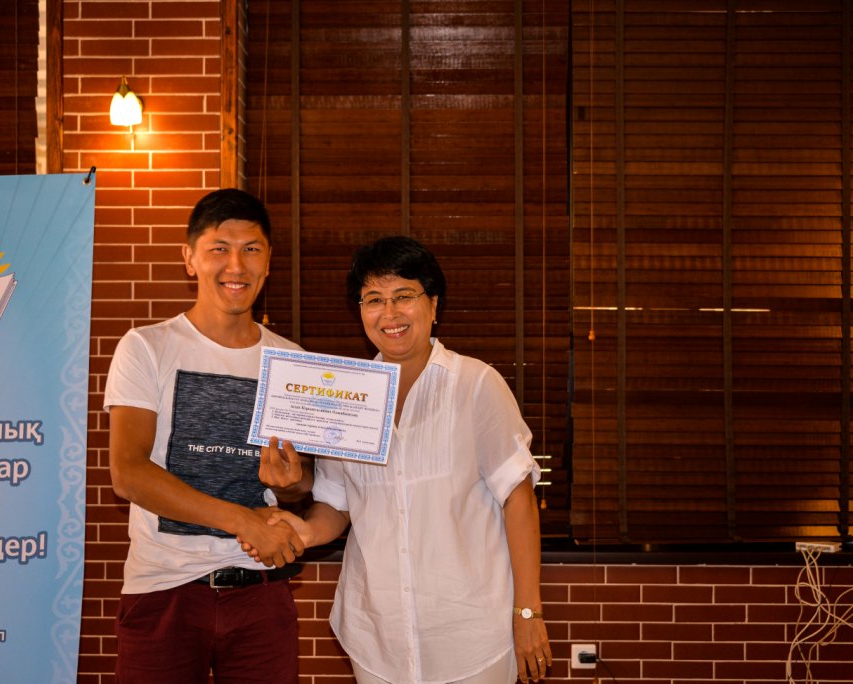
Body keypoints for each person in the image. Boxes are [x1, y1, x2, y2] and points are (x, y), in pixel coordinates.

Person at [258, 235, 552, 683]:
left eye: (404, 296)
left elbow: (518, 498)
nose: (390, 313)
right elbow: (338, 505)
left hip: (472, 636)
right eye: (374, 299)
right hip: (378, 638)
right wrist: (305, 531)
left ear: (433, 305)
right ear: (360, 311)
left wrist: (528, 611)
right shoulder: (347, 396)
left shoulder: (476, 384)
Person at [104, 188, 312, 684]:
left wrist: (290, 487)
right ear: (190, 258)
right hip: (164, 590)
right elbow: (128, 473)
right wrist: (242, 520)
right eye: (219, 248)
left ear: (268, 262)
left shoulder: (294, 361)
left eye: (251, 249)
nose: (235, 265)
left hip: (262, 593)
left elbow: (300, 490)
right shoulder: (146, 346)